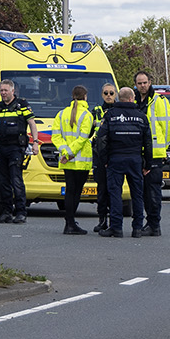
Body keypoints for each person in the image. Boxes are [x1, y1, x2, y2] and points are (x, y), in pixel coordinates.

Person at [91, 85, 151, 239]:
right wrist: (148, 163)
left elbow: (101, 140)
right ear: (132, 99)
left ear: (119, 98)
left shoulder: (110, 115)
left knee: (115, 193)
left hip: (115, 159)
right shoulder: (141, 116)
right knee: (137, 194)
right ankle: (137, 228)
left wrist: (104, 159)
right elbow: (148, 142)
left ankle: (116, 228)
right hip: (135, 159)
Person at [0, 77, 36, 224]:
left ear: (13, 91)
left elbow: (32, 123)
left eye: (6, 90)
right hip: (1, 147)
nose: (3, 93)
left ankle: (21, 212)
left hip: (16, 148)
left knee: (16, 180)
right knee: (3, 181)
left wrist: (35, 143)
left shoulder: (22, 105)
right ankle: (6, 212)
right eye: (1, 90)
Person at [132, 70, 170, 238]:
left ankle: (154, 224)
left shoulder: (159, 101)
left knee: (153, 191)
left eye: (145, 82)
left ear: (150, 82)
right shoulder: (132, 100)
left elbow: (168, 128)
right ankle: (145, 223)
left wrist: (163, 147)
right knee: (139, 191)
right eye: (139, 83)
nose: (142, 86)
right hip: (137, 152)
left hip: (155, 153)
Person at [52, 84, 95, 237]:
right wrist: (70, 152)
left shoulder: (61, 114)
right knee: (76, 192)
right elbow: (83, 138)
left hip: (67, 160)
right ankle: (70, 223)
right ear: (85, 97)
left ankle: (69, 222)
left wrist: (66, 152)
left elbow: (55, 137)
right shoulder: (87, 115)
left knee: (70, 191)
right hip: (81, 160)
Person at [93, 80, 119, 235]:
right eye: (106, 93)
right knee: (101, 189)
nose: (109, 96)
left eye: (111, 93)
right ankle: (102, 220)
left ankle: (114, 221)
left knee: (114, 189)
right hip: (99, 155)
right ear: (102, 95)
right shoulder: (96, 111)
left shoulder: (119, 110)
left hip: (115, 153)